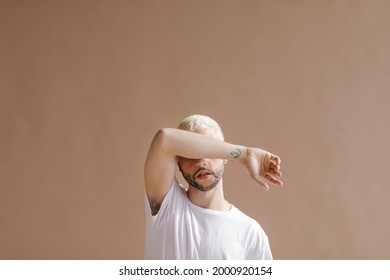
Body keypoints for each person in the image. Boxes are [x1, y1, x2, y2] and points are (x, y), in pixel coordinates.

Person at [144, 114, 283, 260]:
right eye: (191, 153)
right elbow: (164, 139)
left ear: (225, 157)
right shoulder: (166, 206)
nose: (202, 161)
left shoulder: (250, 233)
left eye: (210, 151)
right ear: (178, 163)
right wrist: (245, 155)